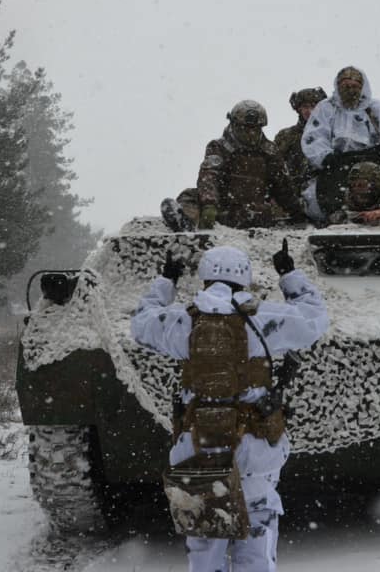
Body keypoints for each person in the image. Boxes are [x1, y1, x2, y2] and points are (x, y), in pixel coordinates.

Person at [131, 243, 329, 572]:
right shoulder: (265, 319)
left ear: (205, 278)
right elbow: (315, 319)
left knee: (205, 552)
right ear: (246, 278)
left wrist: (166, 281)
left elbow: (140, 325)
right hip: (255, 453)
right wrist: (289, 274)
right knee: (255, 551)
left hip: (199, 448)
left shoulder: (182, 321)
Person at [161, 100, 306, 231]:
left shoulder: (270, 152)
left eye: (254, 128)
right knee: (190, 194)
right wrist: (209, 204)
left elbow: (283, 186)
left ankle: (191, 220)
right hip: (223, 207)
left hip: (253, 211)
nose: (250, 133)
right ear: (234, 125)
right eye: (246, 128)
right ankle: (186, 223)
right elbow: (209, 175)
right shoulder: (219, 147)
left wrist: (297, 212)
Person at [300, 66, 380, 221]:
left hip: (375, 166)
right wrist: (324, 156)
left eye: (355, 86)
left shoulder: (375, 108)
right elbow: (314, 137)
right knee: (312, 199)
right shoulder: (326, 108)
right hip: (336, 167)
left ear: (362, 87)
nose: (350, 90)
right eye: (345, 86)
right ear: (338, 87)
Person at [273, 87, 327, 199]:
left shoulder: (328, 134)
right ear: (299, 109)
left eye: (313, 106)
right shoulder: (287, 136)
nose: (310, 111)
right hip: (292, 194)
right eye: (305, 107)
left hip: (322, 192)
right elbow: (274, 166)